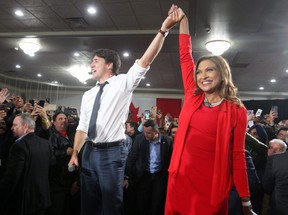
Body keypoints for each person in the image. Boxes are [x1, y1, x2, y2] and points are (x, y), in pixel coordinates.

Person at [68, 8, 180, 215]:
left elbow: (146, 60)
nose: (91, 64)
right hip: (89, 152)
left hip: (112, 153)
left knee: (111, 207)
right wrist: (75, 152)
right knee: (88, 205)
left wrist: (163, 30)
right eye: (91, 61)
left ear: (109, 65)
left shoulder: (122, 83)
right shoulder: (88, 95)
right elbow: (82, 128)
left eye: (96, 61)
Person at [164, 5, 256, 215]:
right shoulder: (192, 95)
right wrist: (184, 21)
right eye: (199, 72)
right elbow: (185, 57)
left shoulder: (236, 111)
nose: (202, 76)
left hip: (211, 186)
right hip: (179, 180)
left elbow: (238, 156)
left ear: (222, 74)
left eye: (209, 70)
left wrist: (246, 201)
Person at [0, 113, 53, 215]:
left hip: (24, 203)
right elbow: (51, 165)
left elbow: (12, 177)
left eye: (15, 125)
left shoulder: (19, 146)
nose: (11, 128)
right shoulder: (45, 143)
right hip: (43, 200)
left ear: (25, 127)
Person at [124, 119, 173, 215]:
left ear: (156, 132)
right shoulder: (140, 139)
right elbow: (132, 158)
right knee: (142, 203)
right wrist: (127, 176)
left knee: (156, 203)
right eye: (144, 132)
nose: (145, 135)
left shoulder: (167, 141)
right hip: (143, 176)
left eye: (148, 133)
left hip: (159, 177)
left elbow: (169, 160)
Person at [47, 112, 79, 215]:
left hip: (71, 179)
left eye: (65, 118)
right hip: (58, 181)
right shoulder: (51, 135)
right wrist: (65, 152)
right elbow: (50, 154)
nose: (64, 120)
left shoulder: (72, 134)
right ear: (54, 122)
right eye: (60, 119)